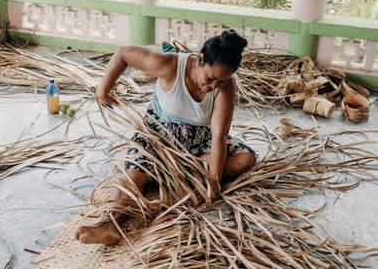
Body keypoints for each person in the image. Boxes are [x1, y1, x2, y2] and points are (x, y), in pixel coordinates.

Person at [75, 29, 257, 245]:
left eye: (222, 81)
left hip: (199, 142)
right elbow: (124, 53)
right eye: (210, 78)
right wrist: (103, 91)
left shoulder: (225, 87)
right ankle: (109, 225)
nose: (213, 86)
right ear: (200, 60)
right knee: (134, 177)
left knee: (245, 159)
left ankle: (183, 169)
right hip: (158, 137)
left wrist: (213, 181)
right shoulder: (170, 65)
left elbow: (219, 137)